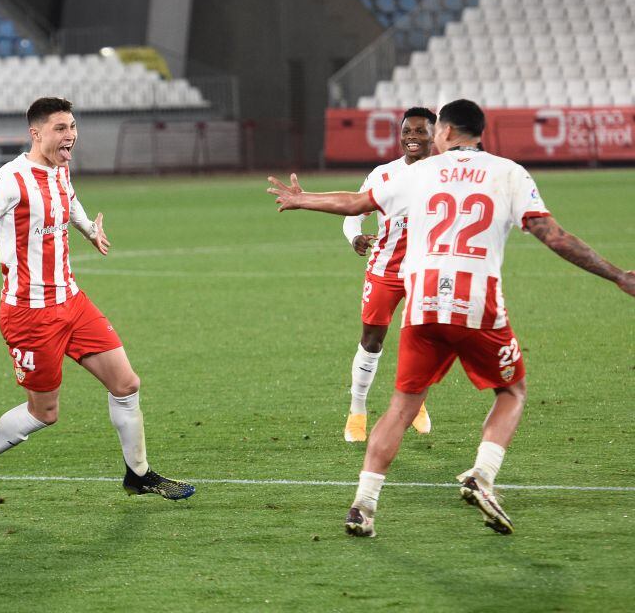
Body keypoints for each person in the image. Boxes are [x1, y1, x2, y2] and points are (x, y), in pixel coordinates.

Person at [267, 99, 635, 537]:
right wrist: (615, 275)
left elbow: (355, 203)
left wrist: (302, 198)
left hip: (422, 303)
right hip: (478, 303)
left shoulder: (418, 173)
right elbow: (553, 236)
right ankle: (482, 474)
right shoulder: (509, 172)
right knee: (512, 391)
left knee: (401, 407)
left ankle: (363, 506)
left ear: (444, 131)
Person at [0, 96, 195, 509]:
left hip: (72, 301)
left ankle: (138, 474)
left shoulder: (60, 168)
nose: (71, 136)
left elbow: (68, 197)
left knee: (126, 383)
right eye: (61, 128)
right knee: (44, 412)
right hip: (30, 313)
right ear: (36, 132)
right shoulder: (9, 180)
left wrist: (86, 230)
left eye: (73, 127)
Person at [340, 107, 434, 443]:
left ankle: (415, 405)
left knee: (422, 342)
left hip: (427, 272)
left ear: (435, 135)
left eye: (421, 131)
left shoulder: (445, 174)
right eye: (408, 130)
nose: (412, 137)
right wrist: (355, 237)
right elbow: (353, 214)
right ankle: (357, 410)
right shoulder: (383, 174)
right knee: (371, 341)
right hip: (385, 270)